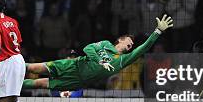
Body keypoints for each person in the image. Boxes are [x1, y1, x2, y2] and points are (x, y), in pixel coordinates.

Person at [23, 15, 173, 91]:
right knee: (34, 68)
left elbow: (145, 47)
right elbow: (88, 48)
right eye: (129, 41)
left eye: (132, 45)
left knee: (39, 84)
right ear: (120, 39)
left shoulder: (122, 60)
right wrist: (100, 61)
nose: (131, 45)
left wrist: (157, 31)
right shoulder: (105, 44)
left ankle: (2, 87)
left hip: (77, 81)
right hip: (73, 65)